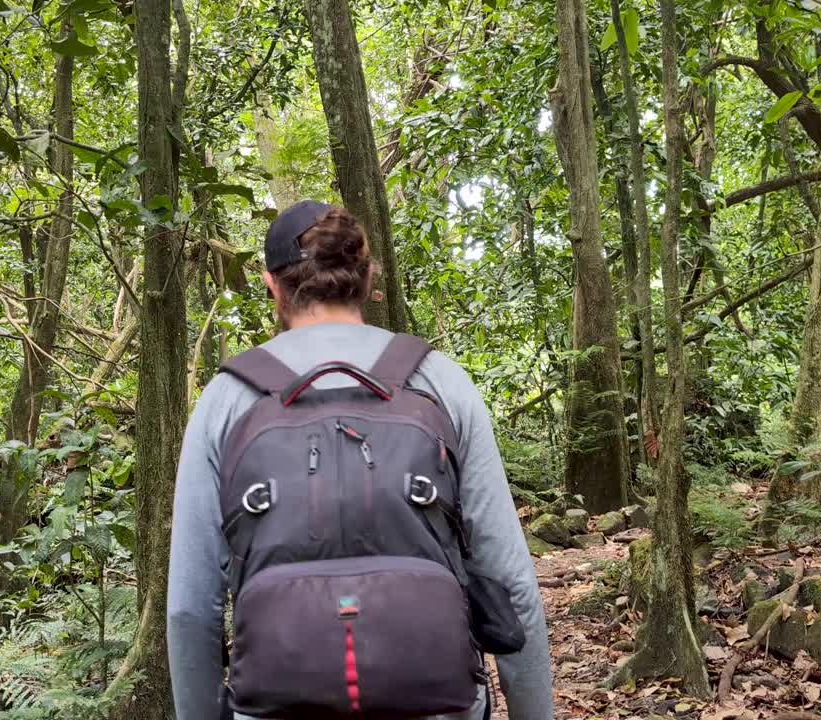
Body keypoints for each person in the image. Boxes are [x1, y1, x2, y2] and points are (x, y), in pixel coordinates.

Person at [166, 200, 553, 720]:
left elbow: (191, 609)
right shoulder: (438, 381)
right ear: (368, 278)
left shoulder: (227, 399)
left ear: (271, 286)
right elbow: (510, 583)